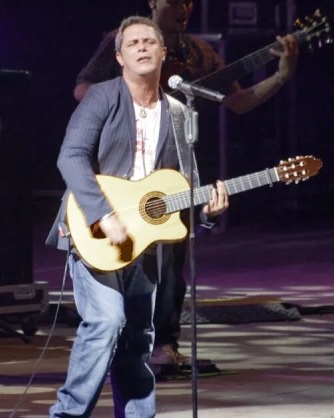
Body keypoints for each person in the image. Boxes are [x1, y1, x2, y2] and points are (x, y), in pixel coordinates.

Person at [73, 0, 299, 367]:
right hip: (123, 166)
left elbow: (239, 102)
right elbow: (82, 90)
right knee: (123, 259)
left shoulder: (198, 53)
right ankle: (116, 339)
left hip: (174, 171)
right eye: (175, 1)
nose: (184, 7)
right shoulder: (124, 39)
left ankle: (164, 344)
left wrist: (281, 75)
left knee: (172, 260)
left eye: (189, 2)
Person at [46, 16, 229, 417]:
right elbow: (71, 156)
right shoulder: (102, 97)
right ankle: (67, 413)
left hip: (143, 238)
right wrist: (102, 213)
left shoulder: (178, 111)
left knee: (137, 337)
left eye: (150, 41)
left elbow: (186, 184)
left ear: (164, 54)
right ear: (119, 57)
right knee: (107, 322)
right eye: (133, 43)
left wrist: (209, 214)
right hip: (93, 229)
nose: (143, 47)